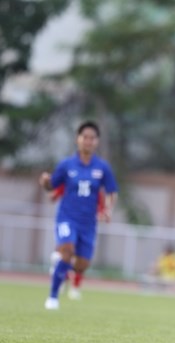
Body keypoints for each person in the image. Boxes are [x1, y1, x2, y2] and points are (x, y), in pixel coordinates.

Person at [39, 121, 118, 310]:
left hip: (88, 223)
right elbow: (52, 185)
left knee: (82, 264)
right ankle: (52, 298)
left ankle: (60, 265)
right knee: (66, 249)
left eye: (92, 138)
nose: (88, 141)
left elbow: (111, 191)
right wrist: (45, 182)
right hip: (67, 218)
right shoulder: (66, 165)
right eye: (85, 137)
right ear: (78, 139)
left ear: (96, 141)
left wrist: (108, 209)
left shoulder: (103, 167)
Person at [48, 185, 107, 299]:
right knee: (67, 250)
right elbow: (54, 195)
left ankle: (74, 286)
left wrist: (102, 213)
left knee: (82, 261)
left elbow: (101, 206)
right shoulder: (69, 178)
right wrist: (49, 187)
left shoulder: (95, 186)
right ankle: (59, 279)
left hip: (86, 225)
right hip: (68, 220)